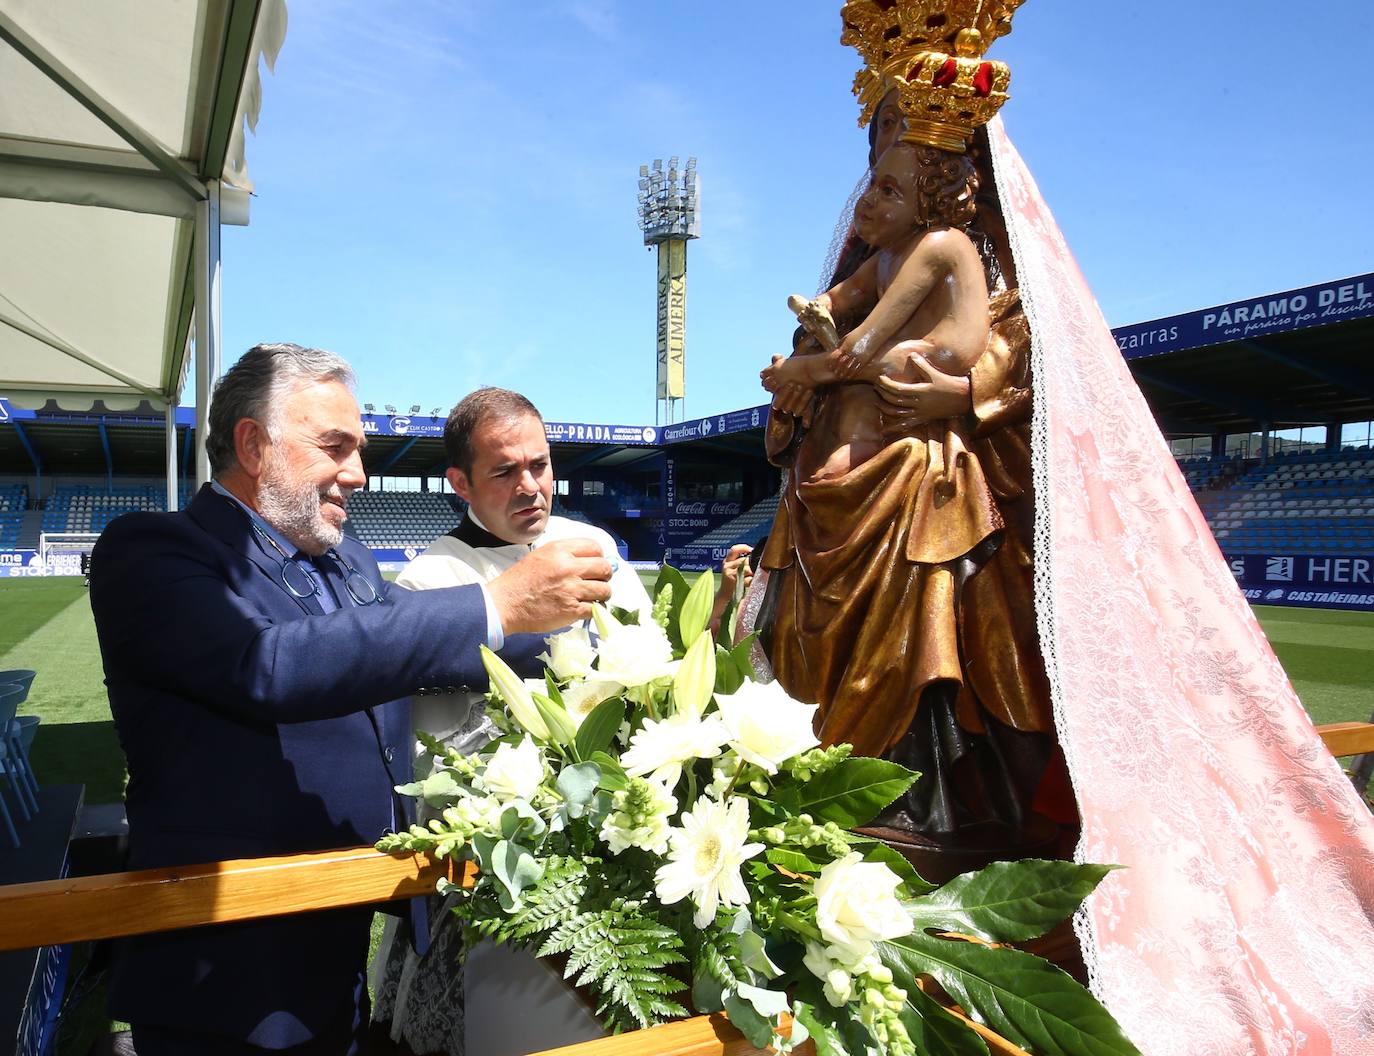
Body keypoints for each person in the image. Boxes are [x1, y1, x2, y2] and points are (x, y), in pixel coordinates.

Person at [88, 344, 613, 1056]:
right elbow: (265, 664)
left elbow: (412, 653)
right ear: (253, 443)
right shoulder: (154, 551)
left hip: (343, 938)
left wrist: (601, 657)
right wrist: (497, 602)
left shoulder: (345, 557)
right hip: (228, 971)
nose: (359, 473)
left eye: (359, 450)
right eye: (334, 446)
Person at [371, 386, 750, 1056]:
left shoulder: (593, 546)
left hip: (626, 835)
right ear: (458, 482)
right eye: (504, 472)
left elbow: (652, 672)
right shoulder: (432, 581)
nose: (531, 486)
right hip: (499, 867)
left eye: (540, 465)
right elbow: (434, 758)